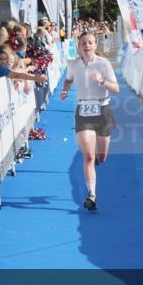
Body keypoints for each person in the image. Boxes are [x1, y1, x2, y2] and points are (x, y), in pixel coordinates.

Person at [60, 32, 119, 212]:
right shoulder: (73, 64)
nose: (87, 45)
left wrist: (101, 81)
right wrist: (65, 90)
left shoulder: (103, 63)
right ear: (79, 46)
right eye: (84, 43)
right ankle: (91, 195)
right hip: (83, 111)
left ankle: (98, 160)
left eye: (90, 43)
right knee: (89, 156)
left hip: (103, 110)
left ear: (95, 45)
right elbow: (68, 80)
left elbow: (116, 88)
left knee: (101, 157)